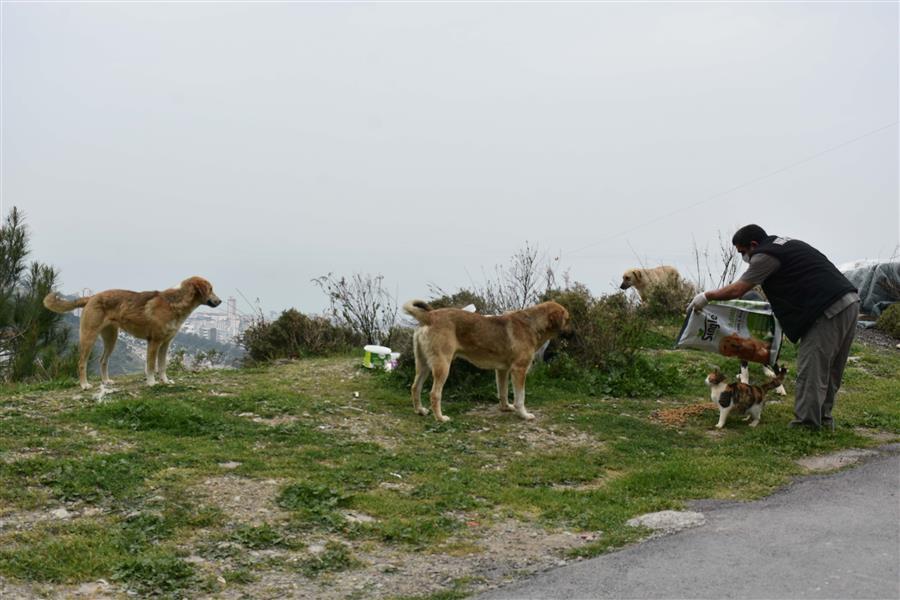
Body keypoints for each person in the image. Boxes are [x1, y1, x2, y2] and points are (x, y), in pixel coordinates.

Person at [686, 224, 859, 430]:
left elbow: (739, 289)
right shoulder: (785, 245)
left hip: (826, 310)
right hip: (850, 302)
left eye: (743, 252)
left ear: (753, 245)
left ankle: (806, 426)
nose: (744, 258)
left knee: (812, 370)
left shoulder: (765, 255)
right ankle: (824, 420)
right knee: (830, 370)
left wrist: (706, 296)